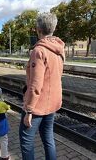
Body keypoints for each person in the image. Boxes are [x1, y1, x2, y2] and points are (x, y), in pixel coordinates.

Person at [19, 12, 65, 160]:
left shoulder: (38, 51)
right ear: (53, 28)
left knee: (26, 140)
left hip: (38, 106)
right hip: (52, 103)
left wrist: (29, 110)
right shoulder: (59, 49)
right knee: (48, 138)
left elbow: (35, 85)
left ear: (38, 29)